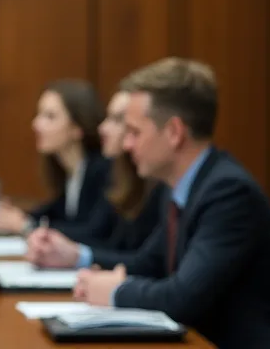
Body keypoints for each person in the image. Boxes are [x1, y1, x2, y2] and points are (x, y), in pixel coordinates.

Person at [71, 58, 270, 348]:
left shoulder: (228, 193)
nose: (127, 144)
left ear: (174, 132)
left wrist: (117, 290)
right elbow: (148, 263)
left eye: (134, 132)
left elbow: (183, 298)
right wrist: (89, 270)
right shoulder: (180, 187)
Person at [25, 90, 168, 266]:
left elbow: (99, 234)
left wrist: (28, 226)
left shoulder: (109, 173)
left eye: (118, 120)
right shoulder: (125, 179)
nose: (102, 128)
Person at [0, 79, 110, 236]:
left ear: (78, 127)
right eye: (39, 114)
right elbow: (54, 213)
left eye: (50, 116)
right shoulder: (70, 170)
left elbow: (92, 232)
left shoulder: (103, 170)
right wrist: (20, 217)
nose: (36, 124)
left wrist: (26, 225)